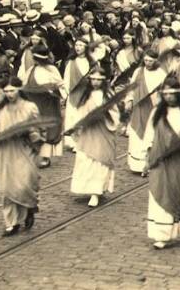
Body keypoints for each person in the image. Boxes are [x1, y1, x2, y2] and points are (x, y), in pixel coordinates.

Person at [144, 76, 180, 249]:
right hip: (160, 159)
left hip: (179, 158)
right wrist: (149, 152)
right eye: (166, 94)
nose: (169, 97)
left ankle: (179, 229)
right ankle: (161, 234)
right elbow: (149, 134)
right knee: (160, 191)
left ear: (179, 93)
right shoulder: (157, 112)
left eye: (172, 93)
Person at [0, 77, 41, 236]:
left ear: (19, 90)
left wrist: (32, 134)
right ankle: (11, 223)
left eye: (12, 90)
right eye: (6, 91)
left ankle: (29, 207)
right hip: (5, 151)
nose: (9, 94)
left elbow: (37, 128)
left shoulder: (30, 107)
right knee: (6, 188)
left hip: (23, 149)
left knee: (24, 184)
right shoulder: (1, 110)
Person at [69, 68, 119, 208]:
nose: (96, 82)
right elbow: (79, 112)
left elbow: (115, 113)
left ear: (103, 81)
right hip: (87, 132)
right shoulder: (85, 95)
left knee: (100, 160)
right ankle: (87, 188)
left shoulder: (108, 95)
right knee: (86, 159)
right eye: (93, 79)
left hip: (103, 131)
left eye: (99, 80)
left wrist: (104, 116)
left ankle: (96, 192)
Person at [124, 48, 167, 174]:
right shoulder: (138, 71)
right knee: (136, 134)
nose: (147, 63)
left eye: (150, 61)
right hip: (139, 106)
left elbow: (165, 90)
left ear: (156, 61)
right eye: (146, 60)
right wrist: (129, 100)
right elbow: (131, 88)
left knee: (151, 134)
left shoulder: (161, 73)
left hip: (154, 107)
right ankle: (137, 165)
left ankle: (151, 163)